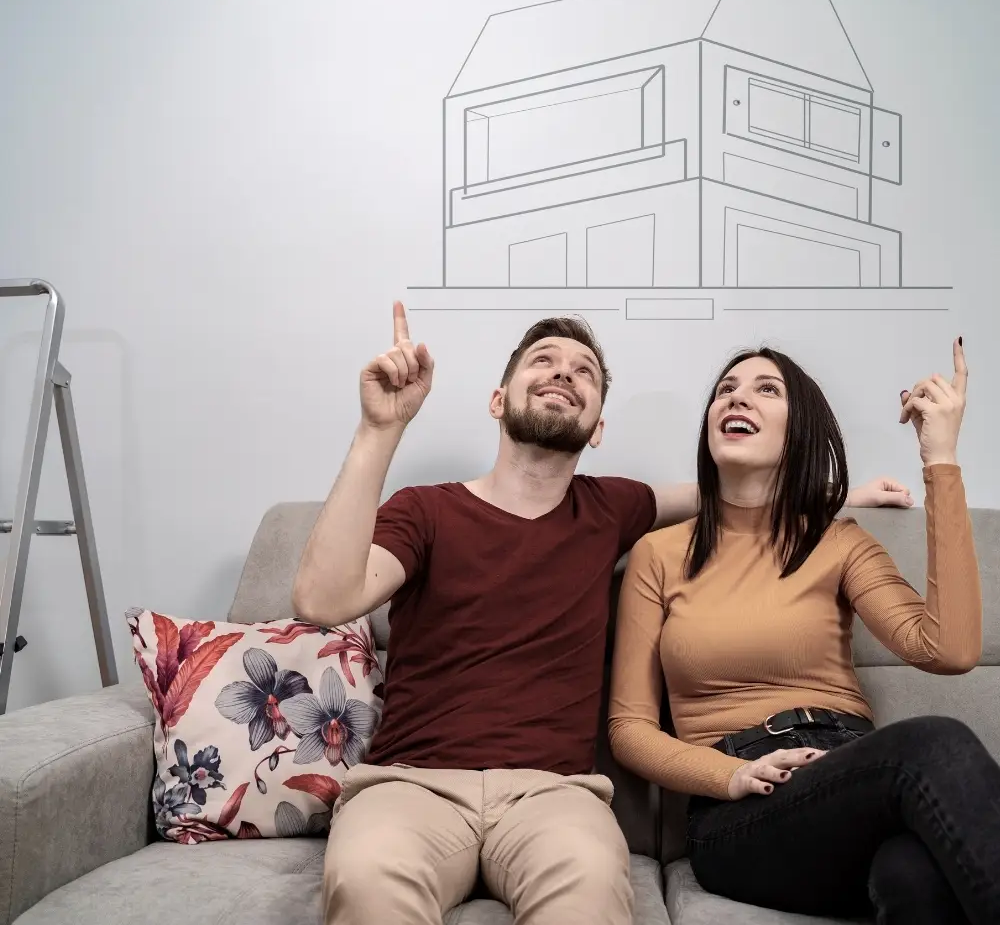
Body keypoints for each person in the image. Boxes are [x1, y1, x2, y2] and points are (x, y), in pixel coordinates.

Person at [291, 302, 912, 925]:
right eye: (544, 361)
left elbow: (730, 491)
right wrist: (380, 429)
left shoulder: (610, 510)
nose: (564, 373)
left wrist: (837, 494)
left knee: (590, 895)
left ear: (597, 429)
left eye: (583, 371)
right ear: (498, 400)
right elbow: (322, 601)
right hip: (411, 786)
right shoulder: (427, 510)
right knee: (367, 882)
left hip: (553, 795)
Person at [607, 339, 995, 924]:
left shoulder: (839, 542)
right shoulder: (659, 555)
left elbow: (949, 648)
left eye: (767, 389)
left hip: (850, 771)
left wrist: (940, 460)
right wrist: (730, 774)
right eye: (726, 389)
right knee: (935, 742)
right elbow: (629, 729)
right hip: (741, 804)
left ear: (799, 432)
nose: (737, 396)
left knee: (911, 878)